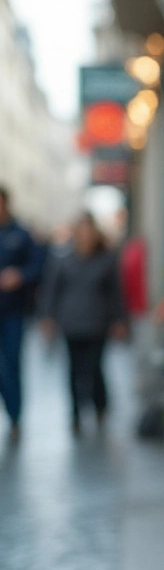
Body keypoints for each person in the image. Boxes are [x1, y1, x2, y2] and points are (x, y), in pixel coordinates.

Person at [38, 213, 127, 433]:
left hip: (98, 322)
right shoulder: (63, 259)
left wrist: (119, 321)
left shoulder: (106, 260)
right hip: (71, 322)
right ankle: (76, 412)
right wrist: (48, 318)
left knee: (95, 367)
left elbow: (115, 293)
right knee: (73, 369)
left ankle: (99, 405)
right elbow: (52, 290)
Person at [0, 187, 44, 438]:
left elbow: (38, 267)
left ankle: (15, 415)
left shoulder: (21, 235)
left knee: (12, 361)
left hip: (13, 312)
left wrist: (20, 276)